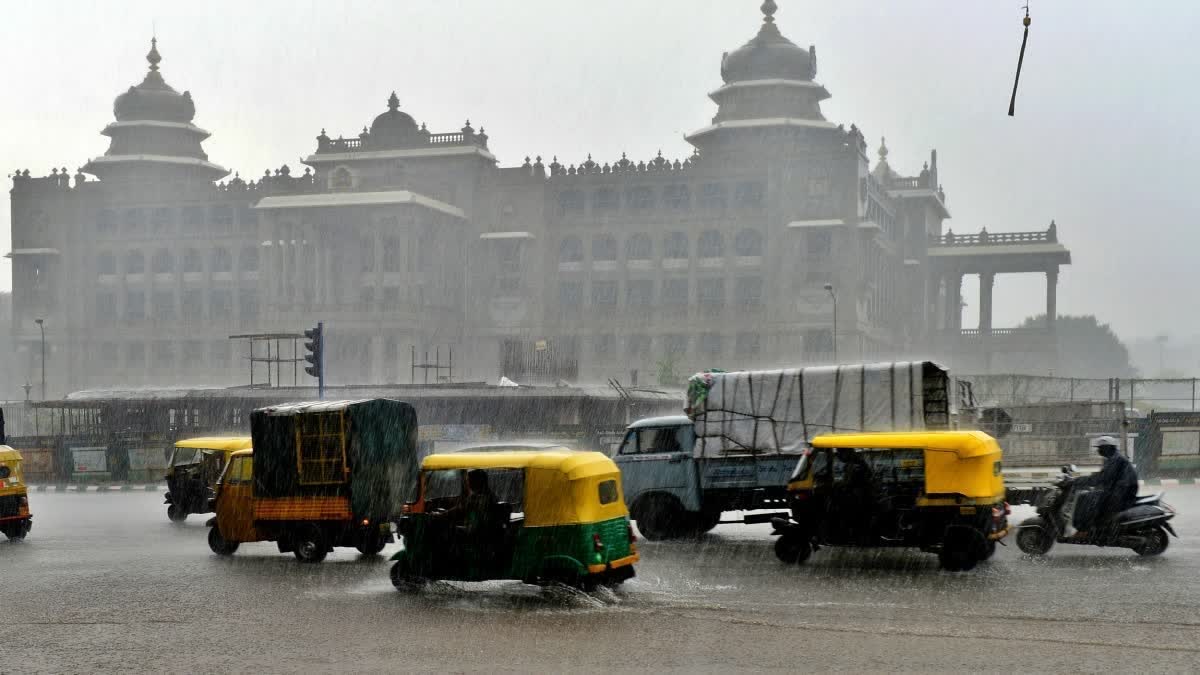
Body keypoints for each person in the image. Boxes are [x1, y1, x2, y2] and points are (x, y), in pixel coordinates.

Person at [1072, 436, 1139, 536]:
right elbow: (1103, 477)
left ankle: (1085, 529)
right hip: (1119, 490)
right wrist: (1085, 481)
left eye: (1100, 448)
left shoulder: (1115, 460)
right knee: (1090, 496)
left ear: (1107, 448)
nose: (1098, 450)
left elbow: (1102, 478)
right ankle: (1093, 527)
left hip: (1122, 492)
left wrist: (1079, 481)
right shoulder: (1112, 458)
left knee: (1086, 499)